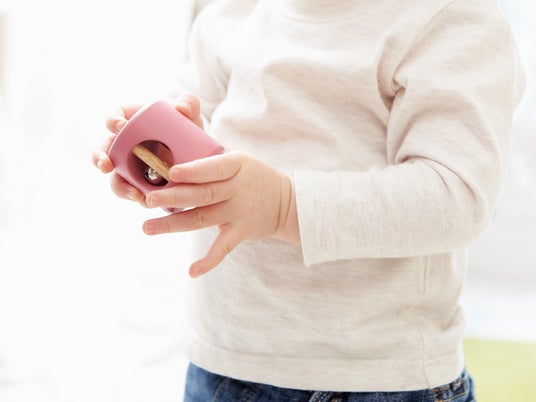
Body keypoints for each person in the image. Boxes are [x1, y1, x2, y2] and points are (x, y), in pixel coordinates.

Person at [92, 0, 525, 400]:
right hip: (222, 358)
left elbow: (453, 195)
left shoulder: (449, 20)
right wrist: (159, 162)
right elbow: (194, 119)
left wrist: (285, 206)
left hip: (372, 377)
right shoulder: (232, 12)